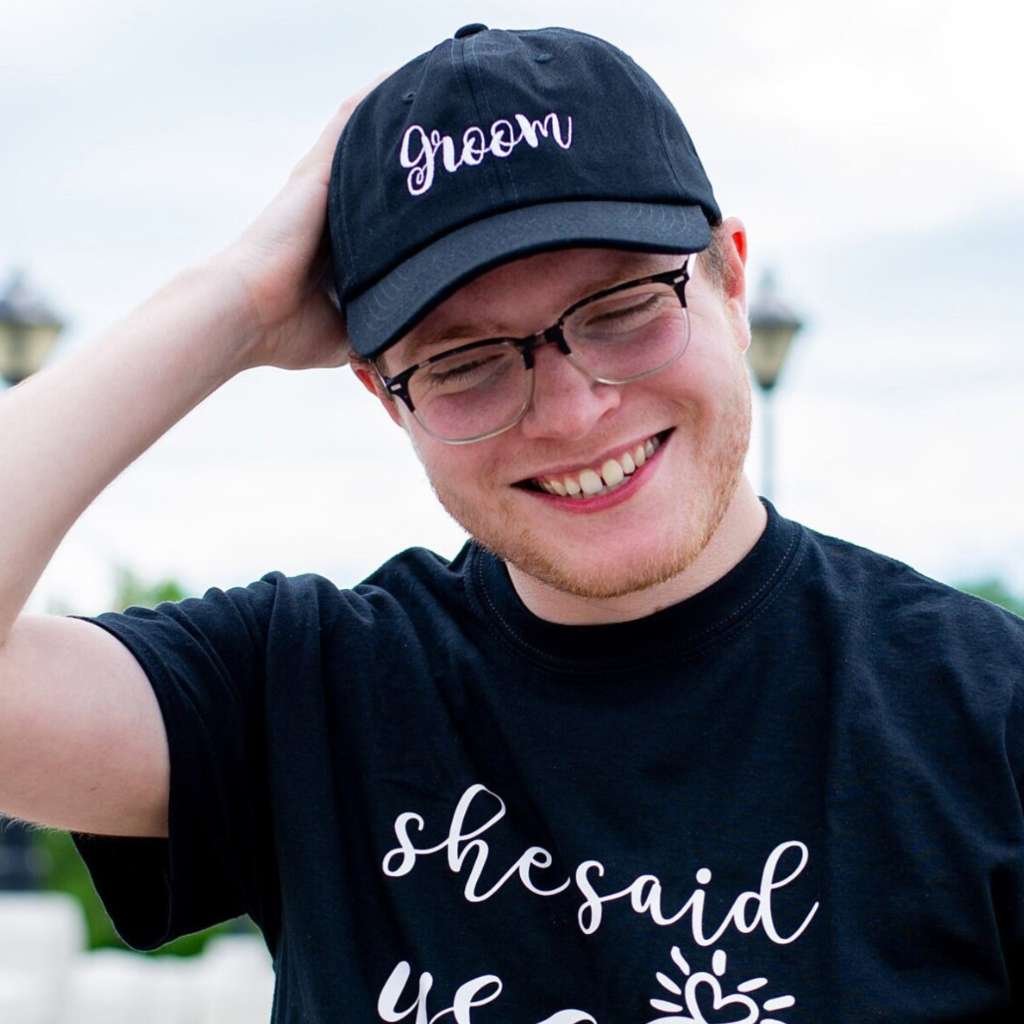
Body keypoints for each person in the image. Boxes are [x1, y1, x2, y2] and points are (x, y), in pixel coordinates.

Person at [0, 23, 1022, 1024]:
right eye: (463, 363)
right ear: (384, 396)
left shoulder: (987, 715)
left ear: (732, 277)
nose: (574, 411)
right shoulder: (307, 693)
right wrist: (231, 306)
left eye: (623, 307)